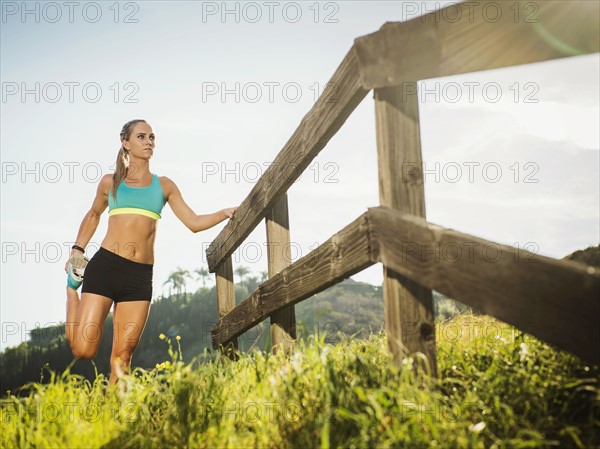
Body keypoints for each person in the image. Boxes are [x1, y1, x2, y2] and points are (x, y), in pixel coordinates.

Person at [64, 119, 237, 387]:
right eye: (142, 137)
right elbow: (93, 215)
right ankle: (70, 291)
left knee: (122, 358)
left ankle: (116, 419)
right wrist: (77, 250)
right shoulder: (110, 183)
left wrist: (223, 213)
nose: (149, 142)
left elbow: (193, 223)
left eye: (152, 137)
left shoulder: (164, 186)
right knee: (83, 351)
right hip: (105, 268)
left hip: (139, 277)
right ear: (126, 143)